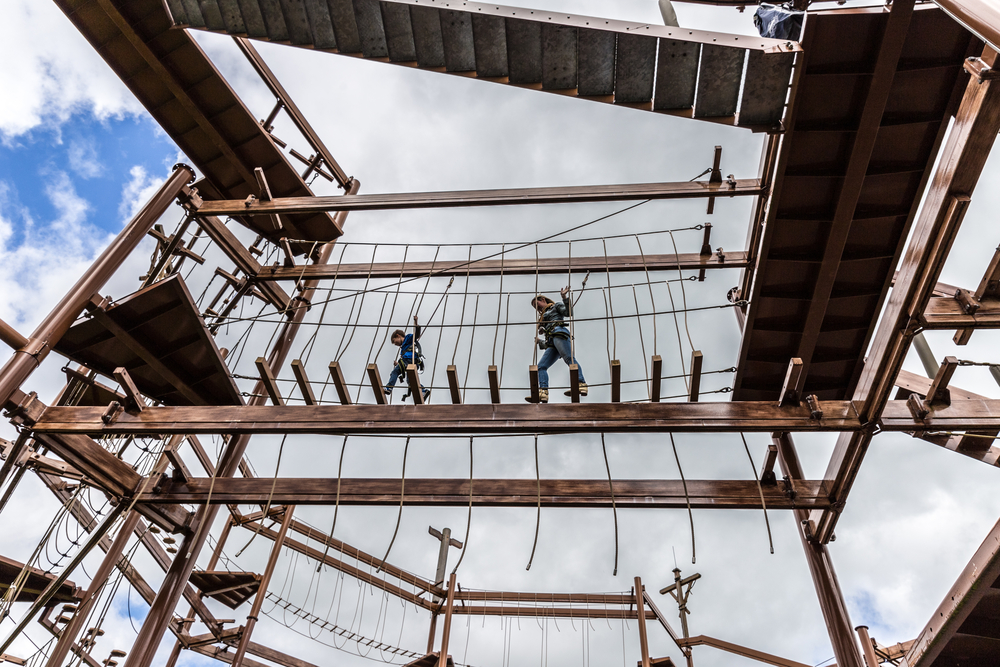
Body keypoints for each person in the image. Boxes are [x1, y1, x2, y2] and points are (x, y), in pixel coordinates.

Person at [526, 287, 587, 403]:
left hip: (559, 333)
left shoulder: (555, 306)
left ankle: (581, 383)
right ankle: (543, 392)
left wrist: (564, 298)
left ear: (543, 299)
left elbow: (568, 313)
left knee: (569, 359)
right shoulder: (543, 317)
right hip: (552, 340)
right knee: (541, 367)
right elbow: (548, 343)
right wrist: (540, 339)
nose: (536, 307)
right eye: (534, 306)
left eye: (536, 303)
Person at [385, 316, 431, 402]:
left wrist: (416, 323)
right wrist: (399, 365)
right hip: (411, 362)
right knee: (410, 381)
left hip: (409, 360)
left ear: (398, 336)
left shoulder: (408, 338)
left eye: (396, 342)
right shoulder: (403, 348)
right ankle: (423, 391)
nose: (397, 345)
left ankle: (389, 388)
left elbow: (416, 335)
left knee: (395, 372)